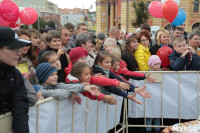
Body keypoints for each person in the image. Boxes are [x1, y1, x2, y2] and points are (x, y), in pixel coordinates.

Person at [0, 27, 31, 132]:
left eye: (19, 48)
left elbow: (20, 105)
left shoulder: (14, 74)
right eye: (13, 48)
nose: (19, 53)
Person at [35, 62, 100, 99]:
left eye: (56, 74)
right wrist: (70, 93)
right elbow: (61, 93)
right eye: (52, 75)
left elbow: (67, 86)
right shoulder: (39, 89)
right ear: (43, 77)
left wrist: (85, 87)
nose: (56, 77)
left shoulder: (57, 85)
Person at [146, 55, 162, 132]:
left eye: (159, 64)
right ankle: (148, 129)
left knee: (158, 114)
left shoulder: (162, 73)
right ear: (151, 65)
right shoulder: (147, 73)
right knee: (149, 114)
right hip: (150, 97)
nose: (158, 66)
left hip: (159, 97)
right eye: (155, 64)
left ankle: (157, 129)